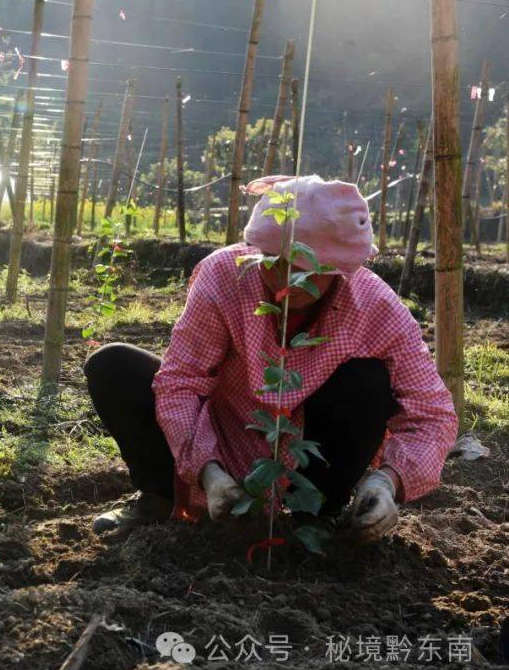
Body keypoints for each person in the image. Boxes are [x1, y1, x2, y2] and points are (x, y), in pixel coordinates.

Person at [84, 175, 458, 543]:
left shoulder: (375, 306)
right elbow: (181, 381)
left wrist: (387, 481)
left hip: (309, 448)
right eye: (273, 261)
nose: (284, 279)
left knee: (367, 380)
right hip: (224, 430)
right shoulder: (224, 275)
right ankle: (161, 498)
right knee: (114, 366)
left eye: (303, 271)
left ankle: (317, 516)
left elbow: (432, 413)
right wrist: (209, 473)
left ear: (338, 269)